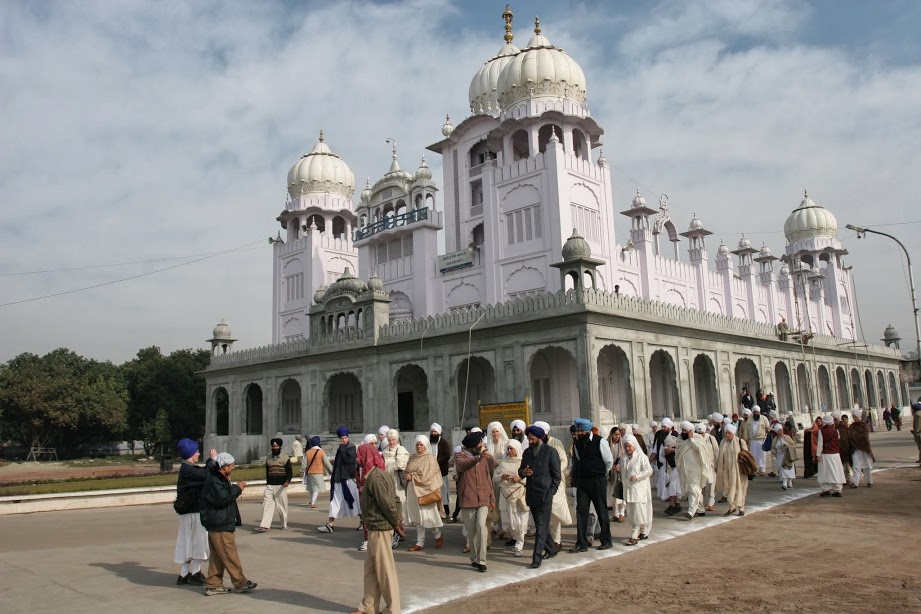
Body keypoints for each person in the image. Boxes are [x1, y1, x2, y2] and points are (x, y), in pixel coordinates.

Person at [350, 444, 404, 614]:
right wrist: (397, 521)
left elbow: (388, 504)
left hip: (380, 529)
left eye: (360, 456)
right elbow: (395, 500)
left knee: (385, 571)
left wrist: (396, 523)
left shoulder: (375, 478)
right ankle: (368, 607)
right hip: (374, 529)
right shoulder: (378, 474)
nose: (358, 460)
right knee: (371, 571)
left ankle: (393, 609)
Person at [200, 452, 256, 596]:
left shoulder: (219, 478)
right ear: (224, 466)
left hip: (218, 522)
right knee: (229, 553)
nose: (233, 467)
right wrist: (238, 488)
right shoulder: (215, 480)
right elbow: (223, 499)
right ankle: (240, 583)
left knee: (218, 555)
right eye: (231, 465)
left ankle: (213, 584)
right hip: (219, 523)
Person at [174, 438, 216, 586]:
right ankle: (195, 573)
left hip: (189, 512)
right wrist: (212, 461)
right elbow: (206, 474)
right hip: (194, 511)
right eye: (197, 451)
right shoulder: (188, 470)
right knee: (198, 541)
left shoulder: (188, 469)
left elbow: (202, 473)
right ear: (191, 452)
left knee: (187, 541)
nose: (198, 453)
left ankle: (184, 574)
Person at [518, 424, 560, 568]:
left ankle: (536, 559)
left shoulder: (550, 452)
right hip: (532, 494)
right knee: (540, 525)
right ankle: (551, 549)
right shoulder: (527, 453)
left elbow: (557, 476)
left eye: (532, 439)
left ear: (540, 438)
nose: (530, 441)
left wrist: (551, 492)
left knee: (541, 527)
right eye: (528, 439)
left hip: (545, 495)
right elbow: (520, 470)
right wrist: (524, 473)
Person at [570, 417, 613, 552]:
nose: (580, 433)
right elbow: (577, 461)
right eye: (578, 431)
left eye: (582, 431)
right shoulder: (577, 444)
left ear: (588, 430)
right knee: (581, 512)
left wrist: (600, 473)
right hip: (583, 482)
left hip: (598, 480)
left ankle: (606, 540)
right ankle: (581, 543)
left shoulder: (600, 441)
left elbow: (609, 461)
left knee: (601, 510)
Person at [455, 431, 495, 572]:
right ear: (473, 445)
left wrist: (492, 498)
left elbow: (487, 477)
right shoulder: (460, 456)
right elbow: (461, 466)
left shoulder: (484, 457)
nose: (482, 445)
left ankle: (482, 560)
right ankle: (474, 557)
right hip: (468, 499)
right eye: (480, 443)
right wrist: (478, 458)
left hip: (483, 498)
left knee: (481, 527)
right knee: (471, 532)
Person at [404, 434, 444, 551]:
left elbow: (428, 476)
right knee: (417, 517)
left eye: (421, 444)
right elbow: (406, 470)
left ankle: (438, 534)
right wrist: (406, 475)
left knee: (428, 516)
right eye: (417, 444)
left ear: (426, 445)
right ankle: (420, 542)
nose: (419, 447)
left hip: (426, 491)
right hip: (412, 490)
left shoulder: (430, 459)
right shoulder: (412, 458)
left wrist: (413, 476)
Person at [318, 427, 359, 533]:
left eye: (345, 438)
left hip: (348, 480)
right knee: (334, 502)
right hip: (338, 480)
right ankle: (330, 525)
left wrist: (342, 450)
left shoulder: (351, 447)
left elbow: (348, 461)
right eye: (342, 438)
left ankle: (363, 522)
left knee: (354, 501)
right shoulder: (341, 448)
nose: (343, 440)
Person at [495, 439, 528, 557]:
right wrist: (501, 476)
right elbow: (495, 477)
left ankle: (520, 544)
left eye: (511, 448)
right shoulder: (503, 463)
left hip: (518, 495)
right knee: (508, 521)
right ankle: (515, 538)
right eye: (508, 448)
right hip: (505, 496)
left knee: (520, 521)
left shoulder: (522, 462)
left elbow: (528, 478)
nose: (509, 451)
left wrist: (518, 478)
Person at [619, 434, 653, 545]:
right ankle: (643, 531)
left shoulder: (641, 457)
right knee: (633, 512)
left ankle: (634, 535)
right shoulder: (623, 459)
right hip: (628, 490)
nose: (628, 449)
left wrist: (637, 476)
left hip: (639, 490)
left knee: (637, 513)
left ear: (634, 445)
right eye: (626, 446)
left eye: (629, 446)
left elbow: (649, 470)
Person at [256, 438, 291, 532]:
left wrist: (287, 481)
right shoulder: (268, 458)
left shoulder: (285, 457)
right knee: (266, 505)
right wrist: (267, 482)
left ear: (280, 447)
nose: (275, 448)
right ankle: (264, 525)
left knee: (282, 506)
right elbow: (267, 471)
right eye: (273, 446)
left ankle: (284, 524)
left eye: (276, 446)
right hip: (270, 485)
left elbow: (289, 471)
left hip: (281, 486)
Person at [382, 429, 409, 546]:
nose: (391, 442)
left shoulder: (401, 450)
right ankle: (395, 530)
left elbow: (401, 465)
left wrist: (388, 465)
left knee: (400, 505)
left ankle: (400, 531)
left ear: (397, 440)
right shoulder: (385, 450)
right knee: (389, 506)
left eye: (393, 440)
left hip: (397, 483)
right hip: (387, 482)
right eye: (389, 440)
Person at [715, 424, 749, 516]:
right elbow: (720, 456)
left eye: (728, 433)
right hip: (726, 470)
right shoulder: (723, 442)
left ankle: (741, 508)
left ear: (733, 433)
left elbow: (746, 454)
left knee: (739, 488)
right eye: (726, 433)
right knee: (728, 488)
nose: (727, 435)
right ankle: (732, 507)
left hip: (738, 471)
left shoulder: (739, 441)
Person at [676, 421, 706, 520]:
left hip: (695, 468)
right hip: (684, 468)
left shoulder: (698, 438)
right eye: (683, 430)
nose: (684, 432)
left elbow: (700, 449)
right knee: (692, 489)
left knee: (694, 489)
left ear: (691, 431)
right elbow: (678, 451)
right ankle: (700, 510)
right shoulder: (679, 439)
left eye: (686, 431)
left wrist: (691, 439)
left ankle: (691, 511)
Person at [817, 415, 846, 497]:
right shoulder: (836, 431)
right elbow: (838, 439)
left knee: (824, 472)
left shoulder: (821, 431)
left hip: (825, 454)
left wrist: (818, 454)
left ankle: (825, 489)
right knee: (836, 471)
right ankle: (837, 489)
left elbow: (820, 444)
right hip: (835, 454)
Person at [430, 423, 452, 518]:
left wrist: (436, 462)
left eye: (435, 432)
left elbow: (447, 456)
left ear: (439, 433)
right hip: (430, 473)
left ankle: (446, 511)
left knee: (443, 491)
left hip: (441, 472)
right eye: (432, 432)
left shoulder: (444, 442)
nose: (433, 433)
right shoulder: (429, 443)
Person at [303, 436, 332, 508]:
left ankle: (311, 501)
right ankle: (313, 502)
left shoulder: (308, 452)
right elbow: (326, 462)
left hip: (309, 472)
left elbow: (304, 463)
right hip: (318, 472)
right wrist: (331, 469)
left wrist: (301, 471)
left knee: (311, 487)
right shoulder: (321, 452)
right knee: (316, 488)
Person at [849, 409, 875, 488]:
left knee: (866, 466)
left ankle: (869, 481)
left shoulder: (864, 426)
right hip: (855, 449)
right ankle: (855, 483)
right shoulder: (852, 426)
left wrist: (856, 439)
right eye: (853, 417)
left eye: (856, 417)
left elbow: (864, 437)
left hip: (864, 448)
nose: (855, 418)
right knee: (856, 466)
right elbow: (849, 436)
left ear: (859, 416)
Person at [740, 407, 770, 475]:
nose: (756, 413)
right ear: (753, 412)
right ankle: (754, 468)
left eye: (757, 412)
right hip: (752, 440)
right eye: (755, 412)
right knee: (753, 455)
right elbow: (746, 430)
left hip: (761, 440)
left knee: (762, 455)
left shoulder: (764, 418)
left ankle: (762, 469)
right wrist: (746, 439)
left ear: (759, 412)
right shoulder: (750, 419)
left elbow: (768, 427)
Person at [697, 422, 719, 511]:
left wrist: (717, 464)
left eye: (701, 433)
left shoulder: (710, 438)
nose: (700, 435)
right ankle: (704, 503)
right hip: (701, 466)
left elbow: (716, 451)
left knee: (711, 485)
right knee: (703, 486)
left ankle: (711, 503)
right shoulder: (695, 439)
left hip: (711, 465)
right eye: (698, 433)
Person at [607, 426, 626, 523]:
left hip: (621, 471)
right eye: (615, 434)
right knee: (612, 493)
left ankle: (622, 513)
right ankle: (615, 513)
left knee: (620, 492)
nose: (617, 436)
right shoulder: (607, 444)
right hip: (611, 472)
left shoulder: (623, 444)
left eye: (618, 434)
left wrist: (619, 465)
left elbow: (625, 456)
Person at [771, 423, 798, 490]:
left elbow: (793, 445)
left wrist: (787, 446)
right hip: (780, 457)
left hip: (788, 456)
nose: (781, 432)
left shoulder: (787, 437)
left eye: (781, 430)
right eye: (779, 430)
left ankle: (789, 483)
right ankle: (785, 483)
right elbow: (773, 448)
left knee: (789, 469)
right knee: (783, 470)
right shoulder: (775, 439)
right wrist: (774, 455)